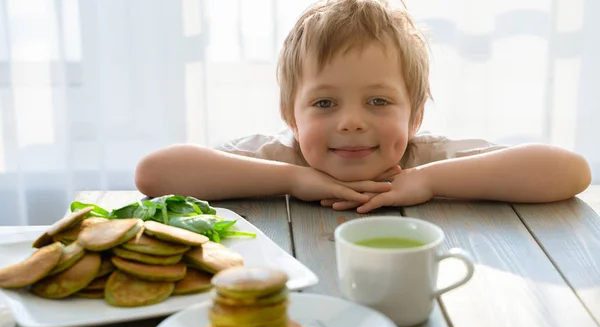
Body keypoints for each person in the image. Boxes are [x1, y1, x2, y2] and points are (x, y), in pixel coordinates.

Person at [135, 0, 591, 213]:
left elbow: (571, 172)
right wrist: (295, 178)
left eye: (378, 100)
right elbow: (155, 173)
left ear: (414, 117)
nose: (351, 122)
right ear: (291, 118)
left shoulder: (423, 158)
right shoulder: (281, 157)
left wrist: (428, 181)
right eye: (325, 102)